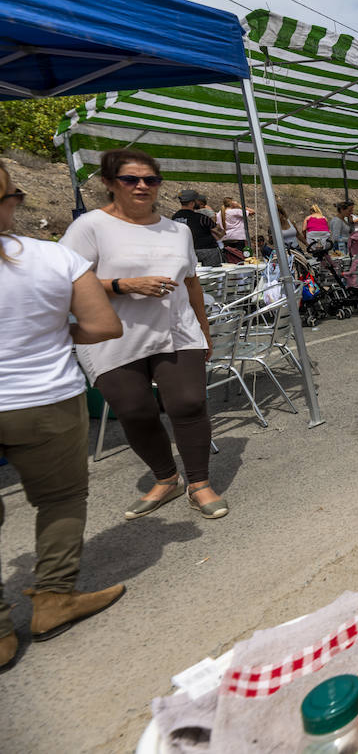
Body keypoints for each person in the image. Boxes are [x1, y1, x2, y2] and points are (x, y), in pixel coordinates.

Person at [0, 164, 126, 669]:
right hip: (43, 398)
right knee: (61, 498)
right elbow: (103, 325)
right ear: (9, 200)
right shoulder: (55, 258)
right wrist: (56, 334)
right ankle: (53, 598)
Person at [60, 148, 228, 521]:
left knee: (189, 404)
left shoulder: (178, 230)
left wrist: (205, 330)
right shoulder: (89, 227)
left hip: (177, 330)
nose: (142, 186)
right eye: (130, 179)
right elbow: (64, 281)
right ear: (109, 183)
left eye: (150, 180)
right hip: (113, 336)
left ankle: (198, 483)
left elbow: (191, 283)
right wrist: (123, 284)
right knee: (134, 411)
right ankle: (166, 478)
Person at [173, 189, 223, 267]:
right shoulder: (201, 218)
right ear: (192, 203)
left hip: (185, 252)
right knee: (213, 275)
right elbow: (220, 233)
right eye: (197, 201)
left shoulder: (175, 218)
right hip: (207, 252)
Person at [216, 197, 255, 262]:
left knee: (229, 259)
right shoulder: (236, 211)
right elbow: (252, 212)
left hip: (226, 238)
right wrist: (239, 205)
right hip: (238, 238)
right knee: (241, 258)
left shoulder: (219, 213)